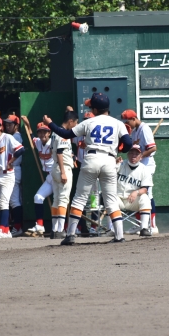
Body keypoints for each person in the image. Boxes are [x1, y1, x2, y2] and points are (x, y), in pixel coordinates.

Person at [43, 92, 132, 245]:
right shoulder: (117, 123)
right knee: (111, 200)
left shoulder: (89, 122)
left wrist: (50, 124)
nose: (91, 109)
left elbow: (65, 133)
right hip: (109, 159)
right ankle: (119, 236)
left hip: (92, 158)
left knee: (79, 198)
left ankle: (70, 235)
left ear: (95, 109)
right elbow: (128, 143)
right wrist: (118, 149)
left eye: (91, 107)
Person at [0, 115, 25, 239]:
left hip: (7, 174)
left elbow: (21, 149)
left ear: (0, 127)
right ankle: (6, 230)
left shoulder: (8, 137)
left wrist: (11, 160)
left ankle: (2, 228)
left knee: (4, 201)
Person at [121, 109, 158, 235]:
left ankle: (152, 225)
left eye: (128, 122)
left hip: (147, 164)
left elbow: (153, 148)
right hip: (139, 164)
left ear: (133, 119)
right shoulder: (135, 130)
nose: (127, 124)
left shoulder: (144, 128)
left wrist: (140, 156)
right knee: (137, 195)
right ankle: (140, 225)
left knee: (147, 194)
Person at [49, 110, 79, 239]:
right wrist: (63, 172)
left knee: (56, 198)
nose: (75, 125)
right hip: (63, 168)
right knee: (63, 199)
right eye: (75, 123)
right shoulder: (62, 134)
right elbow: (59, 152)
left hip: (55, 167)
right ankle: (60, 229)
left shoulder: (55, 132)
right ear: (70, 121)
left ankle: (54, 229)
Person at [115, 144, 153, 237]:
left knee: (145, 198)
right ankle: (112, 229)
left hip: (132, 200)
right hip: (118, 197)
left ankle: (144, 228)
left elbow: (145, 189)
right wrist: (115, 164)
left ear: (141, 156)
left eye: (136, 154)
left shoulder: (144, 169)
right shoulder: (121, 165)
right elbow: (109, 175)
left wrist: (136, 192)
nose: (133, 156)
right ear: (128, 155)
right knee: (110, 199)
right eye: (131, 153)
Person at [25, 121, 53, 236]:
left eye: (45, 132)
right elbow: (32, 137)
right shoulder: (38, 142)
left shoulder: (54, 142)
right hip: (49, 177)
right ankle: (40, 225)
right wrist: (28, 125)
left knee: (61, 201)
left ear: (49, 133)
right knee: (38, 197)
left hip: (57, 175)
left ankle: (66, 227)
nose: (42, 134)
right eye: (40, 132)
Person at [3, 114, 24, 236]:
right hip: (12, 169)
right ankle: (16, 226)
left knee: (14, 201)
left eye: (10, 124)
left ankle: (17, 227)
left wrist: (9, 162)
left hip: (14, 169)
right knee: (13, 200)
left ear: (16, 126)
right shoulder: (11, 136)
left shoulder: (15, 137)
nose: (7, 126)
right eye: (6, 124)